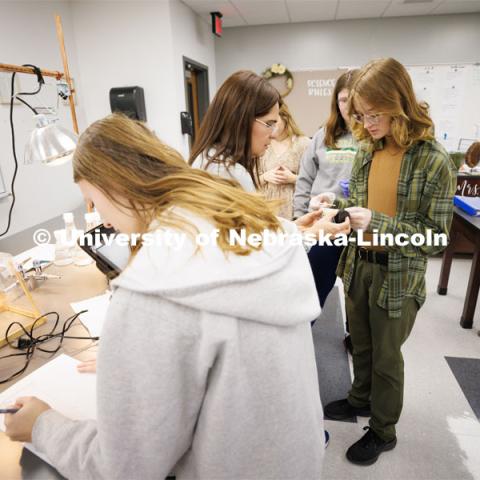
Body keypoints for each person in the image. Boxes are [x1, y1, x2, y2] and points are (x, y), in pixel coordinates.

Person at [4, 113, 329, 479]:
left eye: (93, 201)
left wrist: (42, 427)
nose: (104, 221)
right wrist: (136, 359)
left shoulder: (153, 289)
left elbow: (126, 466)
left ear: (113, 185)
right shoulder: (253, 225)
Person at [318, 58, 456, 465]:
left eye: (373, 114)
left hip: (399, 276)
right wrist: (337, 205)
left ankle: (383, 430)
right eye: (359, 114)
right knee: (359, 344)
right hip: (358, 266)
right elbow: (362, 203)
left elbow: (436, 237)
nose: (366, 122)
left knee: (386, 358)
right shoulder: (367, 150)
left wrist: (377, 222)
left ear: (398, 103)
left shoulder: (433, 160)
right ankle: (359, 399)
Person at [294, 70, 359, 309]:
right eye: (343, 100)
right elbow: (305, 179)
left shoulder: (374, 136)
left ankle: (355, 338)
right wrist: (299, 218)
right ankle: (303, 335)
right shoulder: (322, 136)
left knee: (357, 293)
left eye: (354, 100)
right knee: (314, 286)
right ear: (335, 102)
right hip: (324, 223)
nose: (349, 107)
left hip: (360, 224)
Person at [189, 70, 279, 192]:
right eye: (269, 124)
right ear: (242, 120)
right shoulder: (232, 173)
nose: (273, 135)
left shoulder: (206, 159)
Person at [258, 100, 310, 219]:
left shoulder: (304, 144)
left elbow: (315, 182)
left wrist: (293, 178)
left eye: (274, 122)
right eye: (268, 123)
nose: (271, 127)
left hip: (295, 210)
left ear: (285, 118)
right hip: (266, 211)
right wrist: (265, 176)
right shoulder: (262, 144)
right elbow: (249, 180)